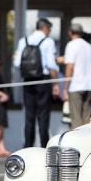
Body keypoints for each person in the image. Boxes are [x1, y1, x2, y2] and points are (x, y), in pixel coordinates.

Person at [13, 18, 60, 148]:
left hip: (27, 80)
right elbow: (51, 65)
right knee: (43, 116)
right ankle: (44, 148)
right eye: (49, 29)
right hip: (43, 81)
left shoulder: (23, 41)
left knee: (29, 116)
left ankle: (28, 146)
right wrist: (55, 84)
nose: (49, 32)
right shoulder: (48, 41)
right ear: (45, 28)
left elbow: (16, 63)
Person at [61, 23, 91, 129]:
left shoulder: (71, 45)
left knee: (75, 121)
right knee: (86, 121)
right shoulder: (90, 47)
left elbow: (70, 67)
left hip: (75, 87)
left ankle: (77, 145)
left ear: (70, 32)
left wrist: (65, 88)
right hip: (89, 87)